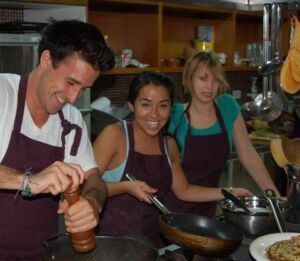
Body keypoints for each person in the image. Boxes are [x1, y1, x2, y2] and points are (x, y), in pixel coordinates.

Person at [0, 19, 115, 261]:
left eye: (83, 88)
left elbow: (94, 179)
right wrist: (30, 181)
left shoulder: (71, 122)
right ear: (45, 59)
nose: (73, 98)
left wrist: (92, 202)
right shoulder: (3, 95)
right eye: (71, 82)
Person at [93, 71, 251, 248]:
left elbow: (184, 191)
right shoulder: (115, 135)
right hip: (110, 245)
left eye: (163, 106)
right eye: (145, 105)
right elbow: (85, 186)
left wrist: (229, 192)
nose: (154, 115)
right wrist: (125, 187)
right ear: (131, 105)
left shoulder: (169, 146)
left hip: (153, 244)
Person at [164, 51, 280, 218]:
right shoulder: (174, 115)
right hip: (172, 209)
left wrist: (273, 197)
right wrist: (230, 191)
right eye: (203, 79)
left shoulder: (228, 105)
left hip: (209, 207)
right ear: (189, 79)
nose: (210, 86)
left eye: (216, 79)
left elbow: (248, 154)